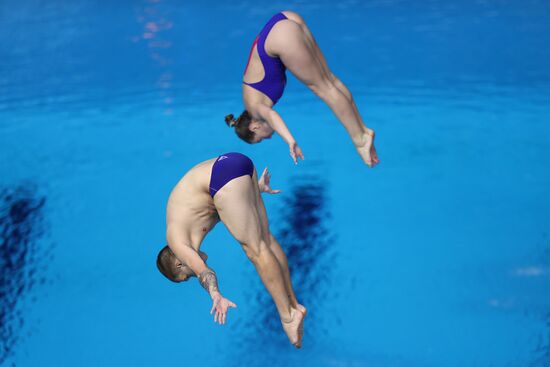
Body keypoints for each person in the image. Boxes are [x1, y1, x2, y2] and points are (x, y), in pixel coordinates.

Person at [156, 152, 306, 348]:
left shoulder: (175, 240)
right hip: (235, 164)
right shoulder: (190, 222)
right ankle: (294, 305)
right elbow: (229, 206)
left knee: (255, 251)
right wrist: (255, 190)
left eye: (186, 276)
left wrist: (215, 294)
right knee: (265, 239)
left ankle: (288, 317)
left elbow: (204, 272)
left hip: (221, 177)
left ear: (179, 263)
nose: (191, 275)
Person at [225, 10, 380, 167]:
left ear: (254, 127)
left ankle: (360, 141)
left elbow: (272, 116)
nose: (270, 137)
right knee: (330, 80)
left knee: (322, 88)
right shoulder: (251, 100)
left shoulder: (254, 109)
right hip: (283, 20)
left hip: (281, 37)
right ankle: (362, 129)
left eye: (262, 138)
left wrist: (290, 141)